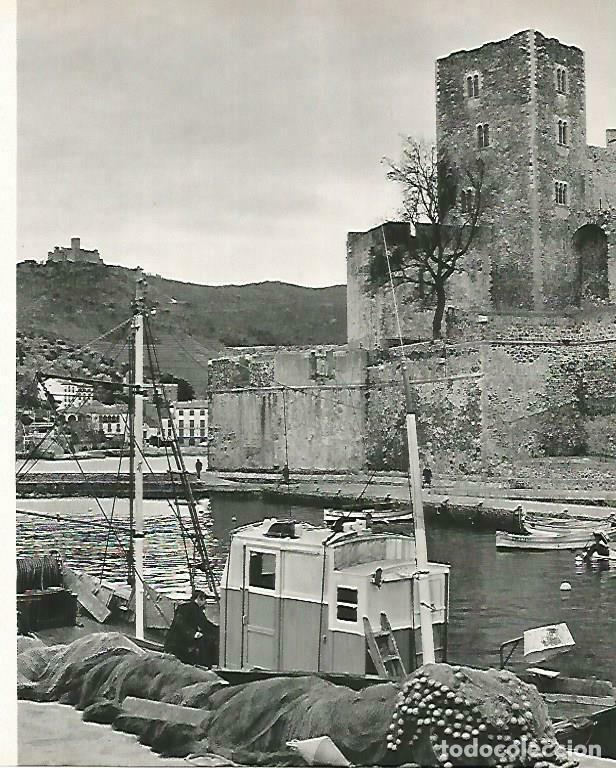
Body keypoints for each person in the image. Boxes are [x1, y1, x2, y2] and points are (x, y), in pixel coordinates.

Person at [163, 589, 219, 666]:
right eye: (204, 599)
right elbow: (181, 624)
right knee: (205, 641)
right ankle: (205, 664)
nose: (205, 602)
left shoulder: (184, 607)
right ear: (199, 598)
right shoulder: (195, 609)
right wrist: (193, 634)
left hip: (172, 642)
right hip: (179, 644)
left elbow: (205, 625)